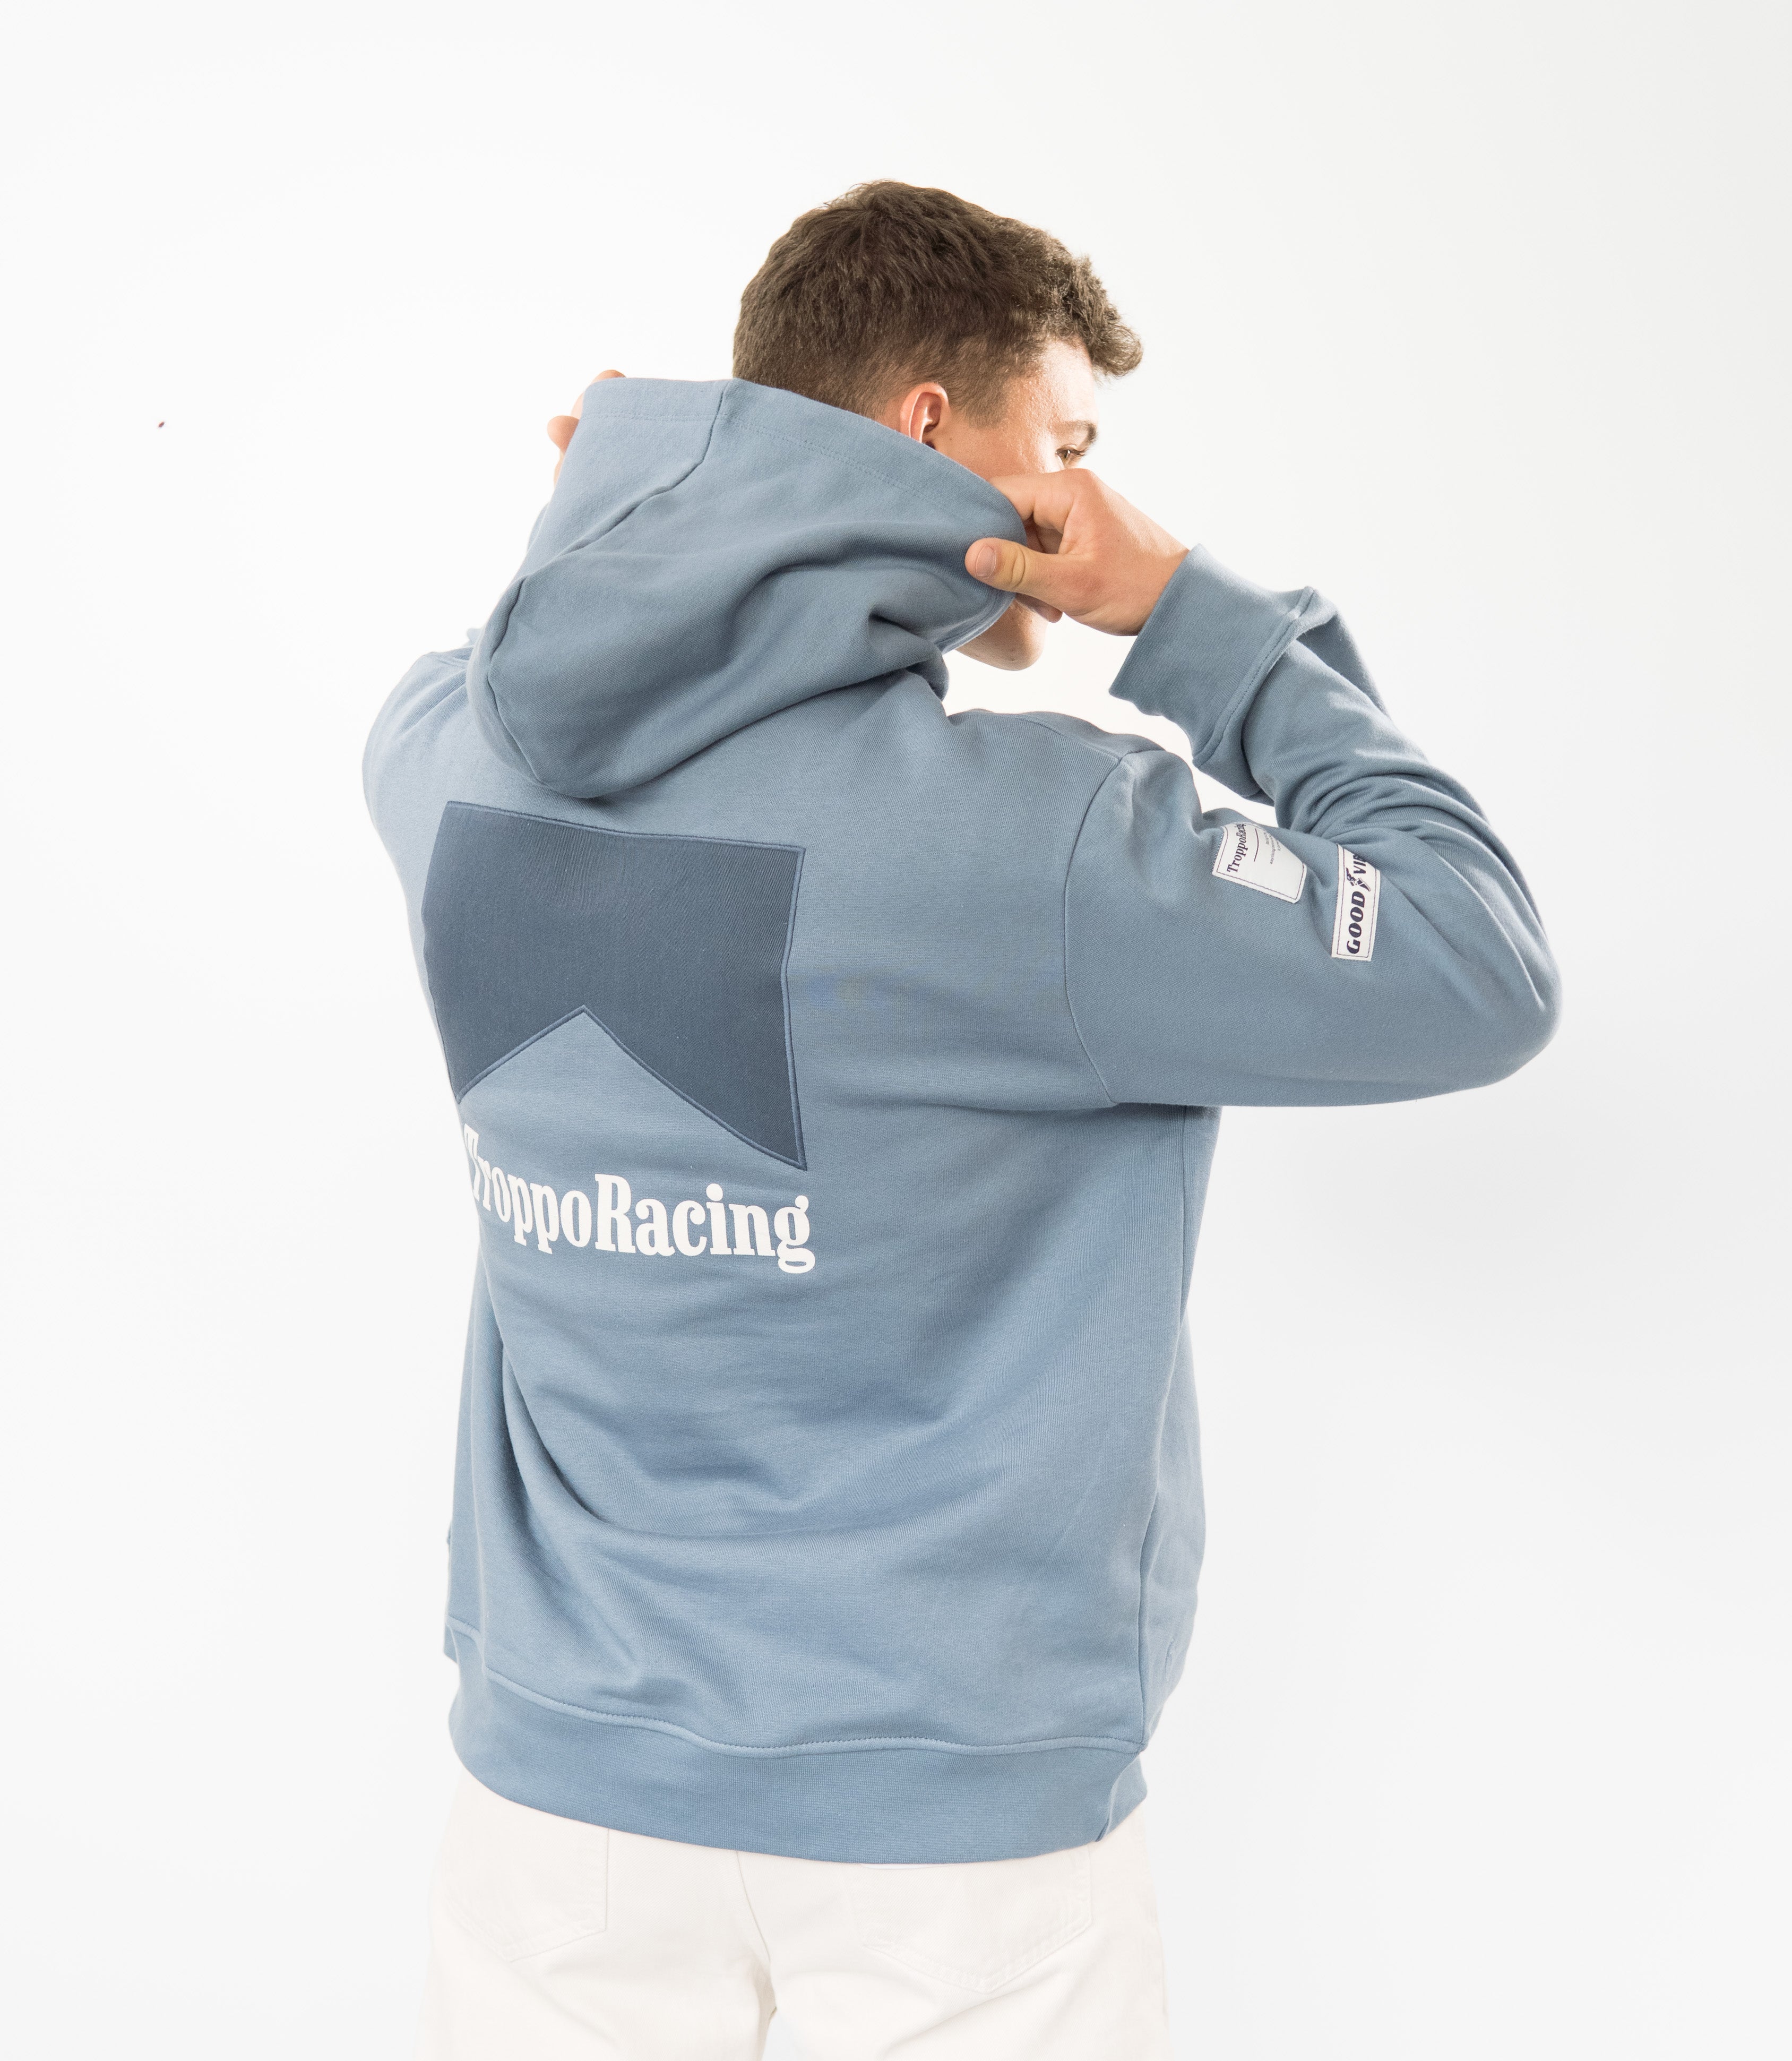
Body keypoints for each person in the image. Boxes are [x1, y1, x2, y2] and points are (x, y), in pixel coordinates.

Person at [365, 181, 1560, 2060]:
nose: (1086, 493)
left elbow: (519, 670)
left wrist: (646, 508)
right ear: (931, 432)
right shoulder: (1052, 848)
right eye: (1065, 446)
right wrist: (1201, 621)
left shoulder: (441, 769)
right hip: (956, 1851)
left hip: (558, 1823)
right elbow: (1475, 963)